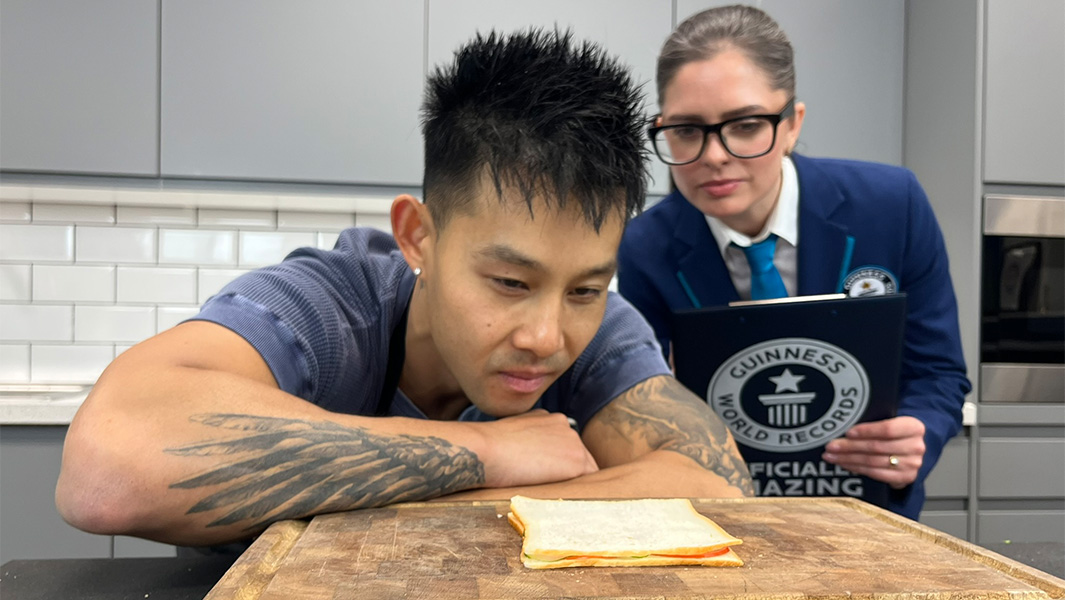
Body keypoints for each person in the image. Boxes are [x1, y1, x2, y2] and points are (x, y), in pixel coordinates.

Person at [55, 29, 754, 547]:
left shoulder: (602, 326)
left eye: (584, 289)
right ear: (417, 235)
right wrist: (486, 454)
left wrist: (450, 497)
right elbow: (107, 470)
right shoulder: (327, 308)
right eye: (509, 281)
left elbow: (718, 484)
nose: (547, 337)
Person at [617, 5, 970, 520]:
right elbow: (636, 402)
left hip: (863, 513)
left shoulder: (892, 207)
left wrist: (918, 431)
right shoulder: (645, 247)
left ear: (790, 124)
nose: (714, 155)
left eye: (744, 125)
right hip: (720, 517)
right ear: (662, 129)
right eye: (687, 130)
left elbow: (938, 371)